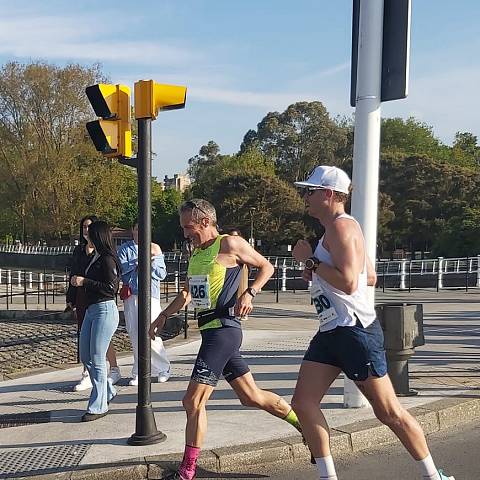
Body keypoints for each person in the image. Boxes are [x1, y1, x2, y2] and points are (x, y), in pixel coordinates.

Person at [291, 166, 454, 480]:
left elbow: (351, 283)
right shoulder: (336, 231)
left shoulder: (342, 228)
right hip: (331, 331)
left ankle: (434, 477)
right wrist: (319, 269)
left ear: (328, 194)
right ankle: (328, 476)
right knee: (303, 402)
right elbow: (371, 276)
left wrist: (310, 260)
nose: (305, 197)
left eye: (310, 191)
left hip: (354, 331)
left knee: (388, 412)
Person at [149, 199, 304, 480]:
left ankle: (187, 470)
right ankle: (302, 423)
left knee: (192, 401)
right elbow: (186, 295)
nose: (186, 234)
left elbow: (266, 267)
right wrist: (163, 315)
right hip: (210, 330)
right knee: (250, 397)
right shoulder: (196, 254)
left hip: (224, 331)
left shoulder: (230, 244)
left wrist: (250, 293)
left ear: (206, 221)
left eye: (189, 227)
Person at [70, 220, 121, 422]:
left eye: (90, 232)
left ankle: (98, 405)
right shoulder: (95, 256)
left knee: (98, 357)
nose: (86, 234)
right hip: (92, 310)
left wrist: (85, 281)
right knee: (86, 355)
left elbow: (111, 287)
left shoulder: (107, 259)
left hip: (104, 309)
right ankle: (107, 390)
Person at [117, 220, 171, 386]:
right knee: (134, 333)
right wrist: (138, 263)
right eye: (137, 229)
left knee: (150, 332)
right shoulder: (124, 249)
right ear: (132, 231)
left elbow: (162, 273)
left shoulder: (155, 248)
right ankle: (139, 370)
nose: (140, 232)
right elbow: (122, 269)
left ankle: (163, 366)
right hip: (132, 294)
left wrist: (152, 262)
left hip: (150, 294)